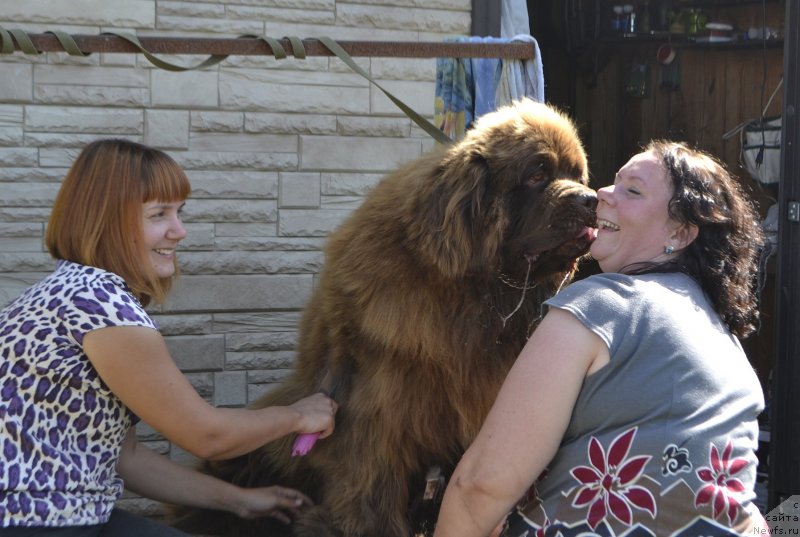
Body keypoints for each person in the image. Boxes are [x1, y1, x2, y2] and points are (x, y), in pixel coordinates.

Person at [0, 139, 338, 535]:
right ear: (106, 220)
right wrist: (299, 414)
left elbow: (125, 457)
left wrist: (241, 500)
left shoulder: (69, 290)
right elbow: (207, 435)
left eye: (179, 211)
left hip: (68, 514)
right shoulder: (99, 304)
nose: (179, 230)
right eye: (159, 214)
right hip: (33, 521)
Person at [433, 140, 768, 536]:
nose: (601, 194)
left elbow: (482, 485)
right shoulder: (724, 340)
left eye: (632, 190)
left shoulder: (599, 305)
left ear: (680, 233)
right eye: (612, 182)